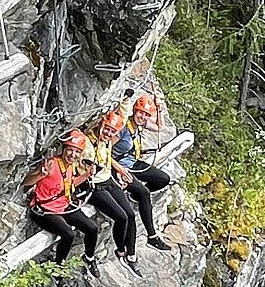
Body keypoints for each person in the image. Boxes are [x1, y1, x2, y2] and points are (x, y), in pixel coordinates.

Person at [24, 131, 104, 276]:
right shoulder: (51, 164)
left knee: (91, 228)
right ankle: (58, 269)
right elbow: (26, 183)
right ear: (64, 149)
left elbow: (69, 186)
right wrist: (39, 175)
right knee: (68, 234)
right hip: (44, 209)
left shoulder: (70, 166)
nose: (73, 154)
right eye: (70, 150)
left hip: (62, 204)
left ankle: (89, 257)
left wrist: (86, 176)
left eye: (77, 152)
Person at [105, 97, 174, 251]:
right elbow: (105, 151)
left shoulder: (140, 124)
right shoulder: (123, 127)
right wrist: (120, 170)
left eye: (146, 114)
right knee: (144, 192)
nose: (142, 117)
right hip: (118, 168)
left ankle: (133, 195)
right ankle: (152, 236)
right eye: (140, 113)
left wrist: (159, 109)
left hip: (133, 163)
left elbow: (159, 127)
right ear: (134, 111)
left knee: (163, 179)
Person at [81, 116, 141, 274]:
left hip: (107, 179)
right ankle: (121, 251)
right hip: (93, 185)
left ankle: (132, 255)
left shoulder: (106, 141)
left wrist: (118, 172)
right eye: (107, 129)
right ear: (100, 126)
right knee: (121, 217)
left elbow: (106, 159)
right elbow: (90, 162)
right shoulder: (88, 142)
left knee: (130, 214)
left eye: (112, 131)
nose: (108, 133)